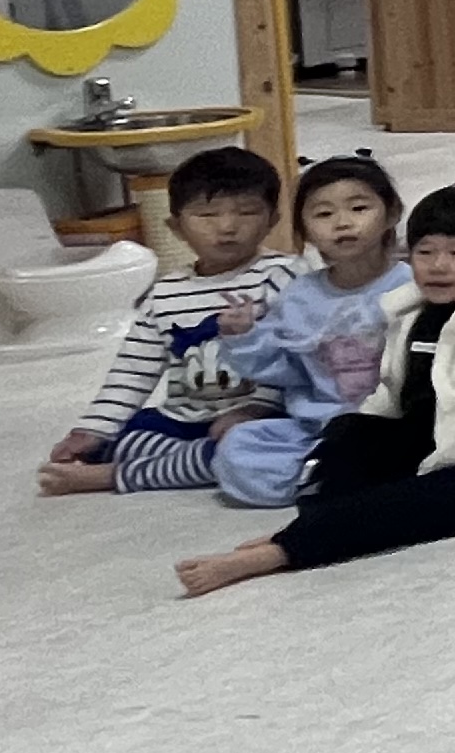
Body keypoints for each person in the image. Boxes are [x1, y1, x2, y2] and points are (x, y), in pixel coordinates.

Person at [169, 186, 455, 598]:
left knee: (423, 503)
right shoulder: (409, 310)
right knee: (341, 447)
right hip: (423, 435)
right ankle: (314, 528)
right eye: (425, 253)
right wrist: (359, 431)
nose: (438, 266)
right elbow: (392, 385)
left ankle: (280, 551)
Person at [38, 144, 293, 496]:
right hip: (184, 418)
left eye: (247, 212)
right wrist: (92, 429)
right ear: (176, 227)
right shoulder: (165, 292)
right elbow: (132, 370)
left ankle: (117, 476)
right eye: (206, 215)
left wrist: (255, 408)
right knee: (125, 438)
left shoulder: (283, 276)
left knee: (252, 451)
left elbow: (296, 357)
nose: (227, 227)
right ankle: (175, 464)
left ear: (273, 219)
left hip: (262, 417)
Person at [205, 157, 410, 508]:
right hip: (316, 427)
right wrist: (244, 336)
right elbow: (286, 370)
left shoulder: (411, 285)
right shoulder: (299, 295)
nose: (342, 223)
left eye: (359, 208)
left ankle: (336, 476)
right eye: (323, 214)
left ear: (392, 214)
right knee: (238, 448)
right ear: (304, 229)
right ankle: (323, 478)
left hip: (390, 424)